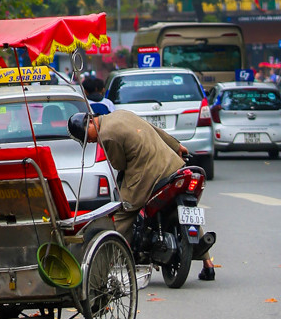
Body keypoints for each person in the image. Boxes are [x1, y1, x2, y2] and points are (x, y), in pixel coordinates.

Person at [68, 110, 216, 280]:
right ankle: (208, 264)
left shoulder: (107, 136)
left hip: (149, 175)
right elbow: (152, 128)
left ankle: (102, 271)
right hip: (173, 165)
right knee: (184, 211)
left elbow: (119, 163)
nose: (93, 141)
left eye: (89, 138)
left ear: (91, 124)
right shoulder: (121, 114)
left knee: (123, 213)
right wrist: (177, 146)